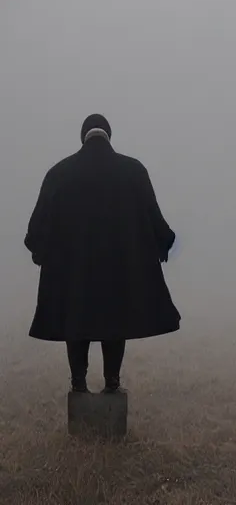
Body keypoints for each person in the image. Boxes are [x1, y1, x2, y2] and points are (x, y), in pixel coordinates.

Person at [24, 114, 181, 394]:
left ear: (83, 136)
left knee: (76, 323)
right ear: (109, 135)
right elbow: (155, 219)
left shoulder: (59, 173)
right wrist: (164, 243)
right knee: (114, 322)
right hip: (117, 271)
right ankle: (112, 383)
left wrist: (40, 252)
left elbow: (36, 228)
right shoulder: (133, 171)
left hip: (74, 271)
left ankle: (78, 385)